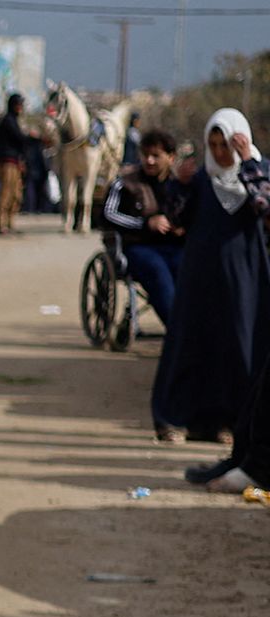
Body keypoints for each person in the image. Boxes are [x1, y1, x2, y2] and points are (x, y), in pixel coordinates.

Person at [151, 109, 270, 462]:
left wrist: (247, 160)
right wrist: (180, 183)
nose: (220, 153)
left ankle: (230, 423)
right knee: (192, 342)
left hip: (245, 277)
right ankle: (179, 419)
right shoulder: (202, 180)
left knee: (239, 346)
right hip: (200, 275)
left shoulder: (257, 174)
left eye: (226, 145)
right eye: (213, 145)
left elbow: (263, 203)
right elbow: (175, 217)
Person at [100, 131, 187, 327]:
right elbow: (108, 214)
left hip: (173, 247)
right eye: (146, 155)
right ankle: (177, 331)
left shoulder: (179, 185)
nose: (149, 161)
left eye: (156, 156)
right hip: (137, 247)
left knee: (189, 269)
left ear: (170, 157)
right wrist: (145, 224)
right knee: (156, 271)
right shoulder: (125, 182)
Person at [0, 93, 30, 235]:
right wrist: (33, 138)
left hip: (15, 162)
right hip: (6, 163)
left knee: (16, 194)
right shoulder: (8, 121)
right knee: (6, 193)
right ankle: (1, 224)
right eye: (18, 105)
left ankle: (10, 223)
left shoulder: (14, 120)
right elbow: (19, 138)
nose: (20, 108)